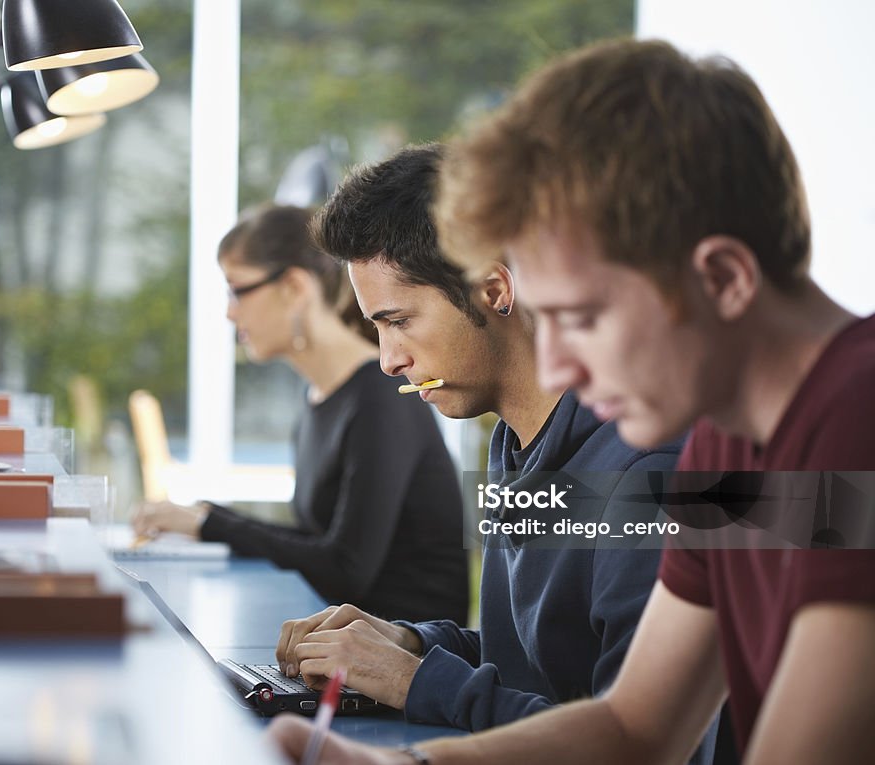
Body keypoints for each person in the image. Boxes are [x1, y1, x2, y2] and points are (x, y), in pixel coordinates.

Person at [267, 40, 875, 764]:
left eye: (581, 317)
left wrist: (427, 684)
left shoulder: (853, 419)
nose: (554, 365)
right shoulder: (725, 442)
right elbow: (635, 727)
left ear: (722, 278)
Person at [273, 145, 717, 759]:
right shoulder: (511, 438)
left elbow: (639, 741)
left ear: (494, 289)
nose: (388, 359)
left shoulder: (649, 472)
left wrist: (419, 682)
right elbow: (534, 663)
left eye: (398, 320)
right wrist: (410, 642)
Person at [132, 204, 468, 624]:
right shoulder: (319, 396)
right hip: (341, 639)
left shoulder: (382, 397)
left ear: (293, 287)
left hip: (403, 660)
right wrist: (205, 515)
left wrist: (210, 524)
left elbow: (345, 569)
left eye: (237, 289)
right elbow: (317, 541)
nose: (229, 311)